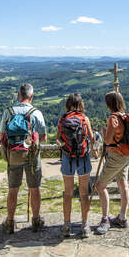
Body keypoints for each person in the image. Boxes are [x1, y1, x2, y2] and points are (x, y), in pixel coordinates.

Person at [0, 83, 47, 234]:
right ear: (31, 96)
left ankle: (10, 222)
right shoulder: (36, 113)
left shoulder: (8, 112)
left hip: (14, 155)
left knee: (13, 190)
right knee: (34, 189)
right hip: (32, 156)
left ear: (18, 95)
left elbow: (1, 136)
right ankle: (36, 220)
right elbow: (44, 137)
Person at [56, 94, 97, 238]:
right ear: (81, 104)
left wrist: (65, 147)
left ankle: (66, 225)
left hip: (67, 157)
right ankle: (85, 226)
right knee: (84, 193)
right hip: (83, 158)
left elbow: (58, 139)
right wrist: (95, 149)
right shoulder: (85, 119)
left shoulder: (63, 119)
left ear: (68, 104)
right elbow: (92, 139)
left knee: (67, 193)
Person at [94, 91, 129, 235]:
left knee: (100, 185)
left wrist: (104, 131)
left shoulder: (113, 118)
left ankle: (105, 219)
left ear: (109, 104)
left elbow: (108, 140)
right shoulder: (125, 116)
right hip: (126, 155)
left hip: (115, 155)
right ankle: (122, 217)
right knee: (123, 184)